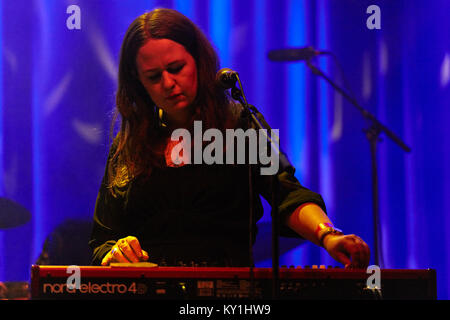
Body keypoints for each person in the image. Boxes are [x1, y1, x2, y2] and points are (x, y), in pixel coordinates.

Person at [89, 8, 370, 269]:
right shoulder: (131, 143)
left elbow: (286, 193)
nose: (168, 83)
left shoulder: (240, 125)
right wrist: (116, 253)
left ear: (199, 62)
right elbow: (103, 239)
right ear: (138, 83)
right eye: (153, 76)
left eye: (176, 68)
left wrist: (328, 236)